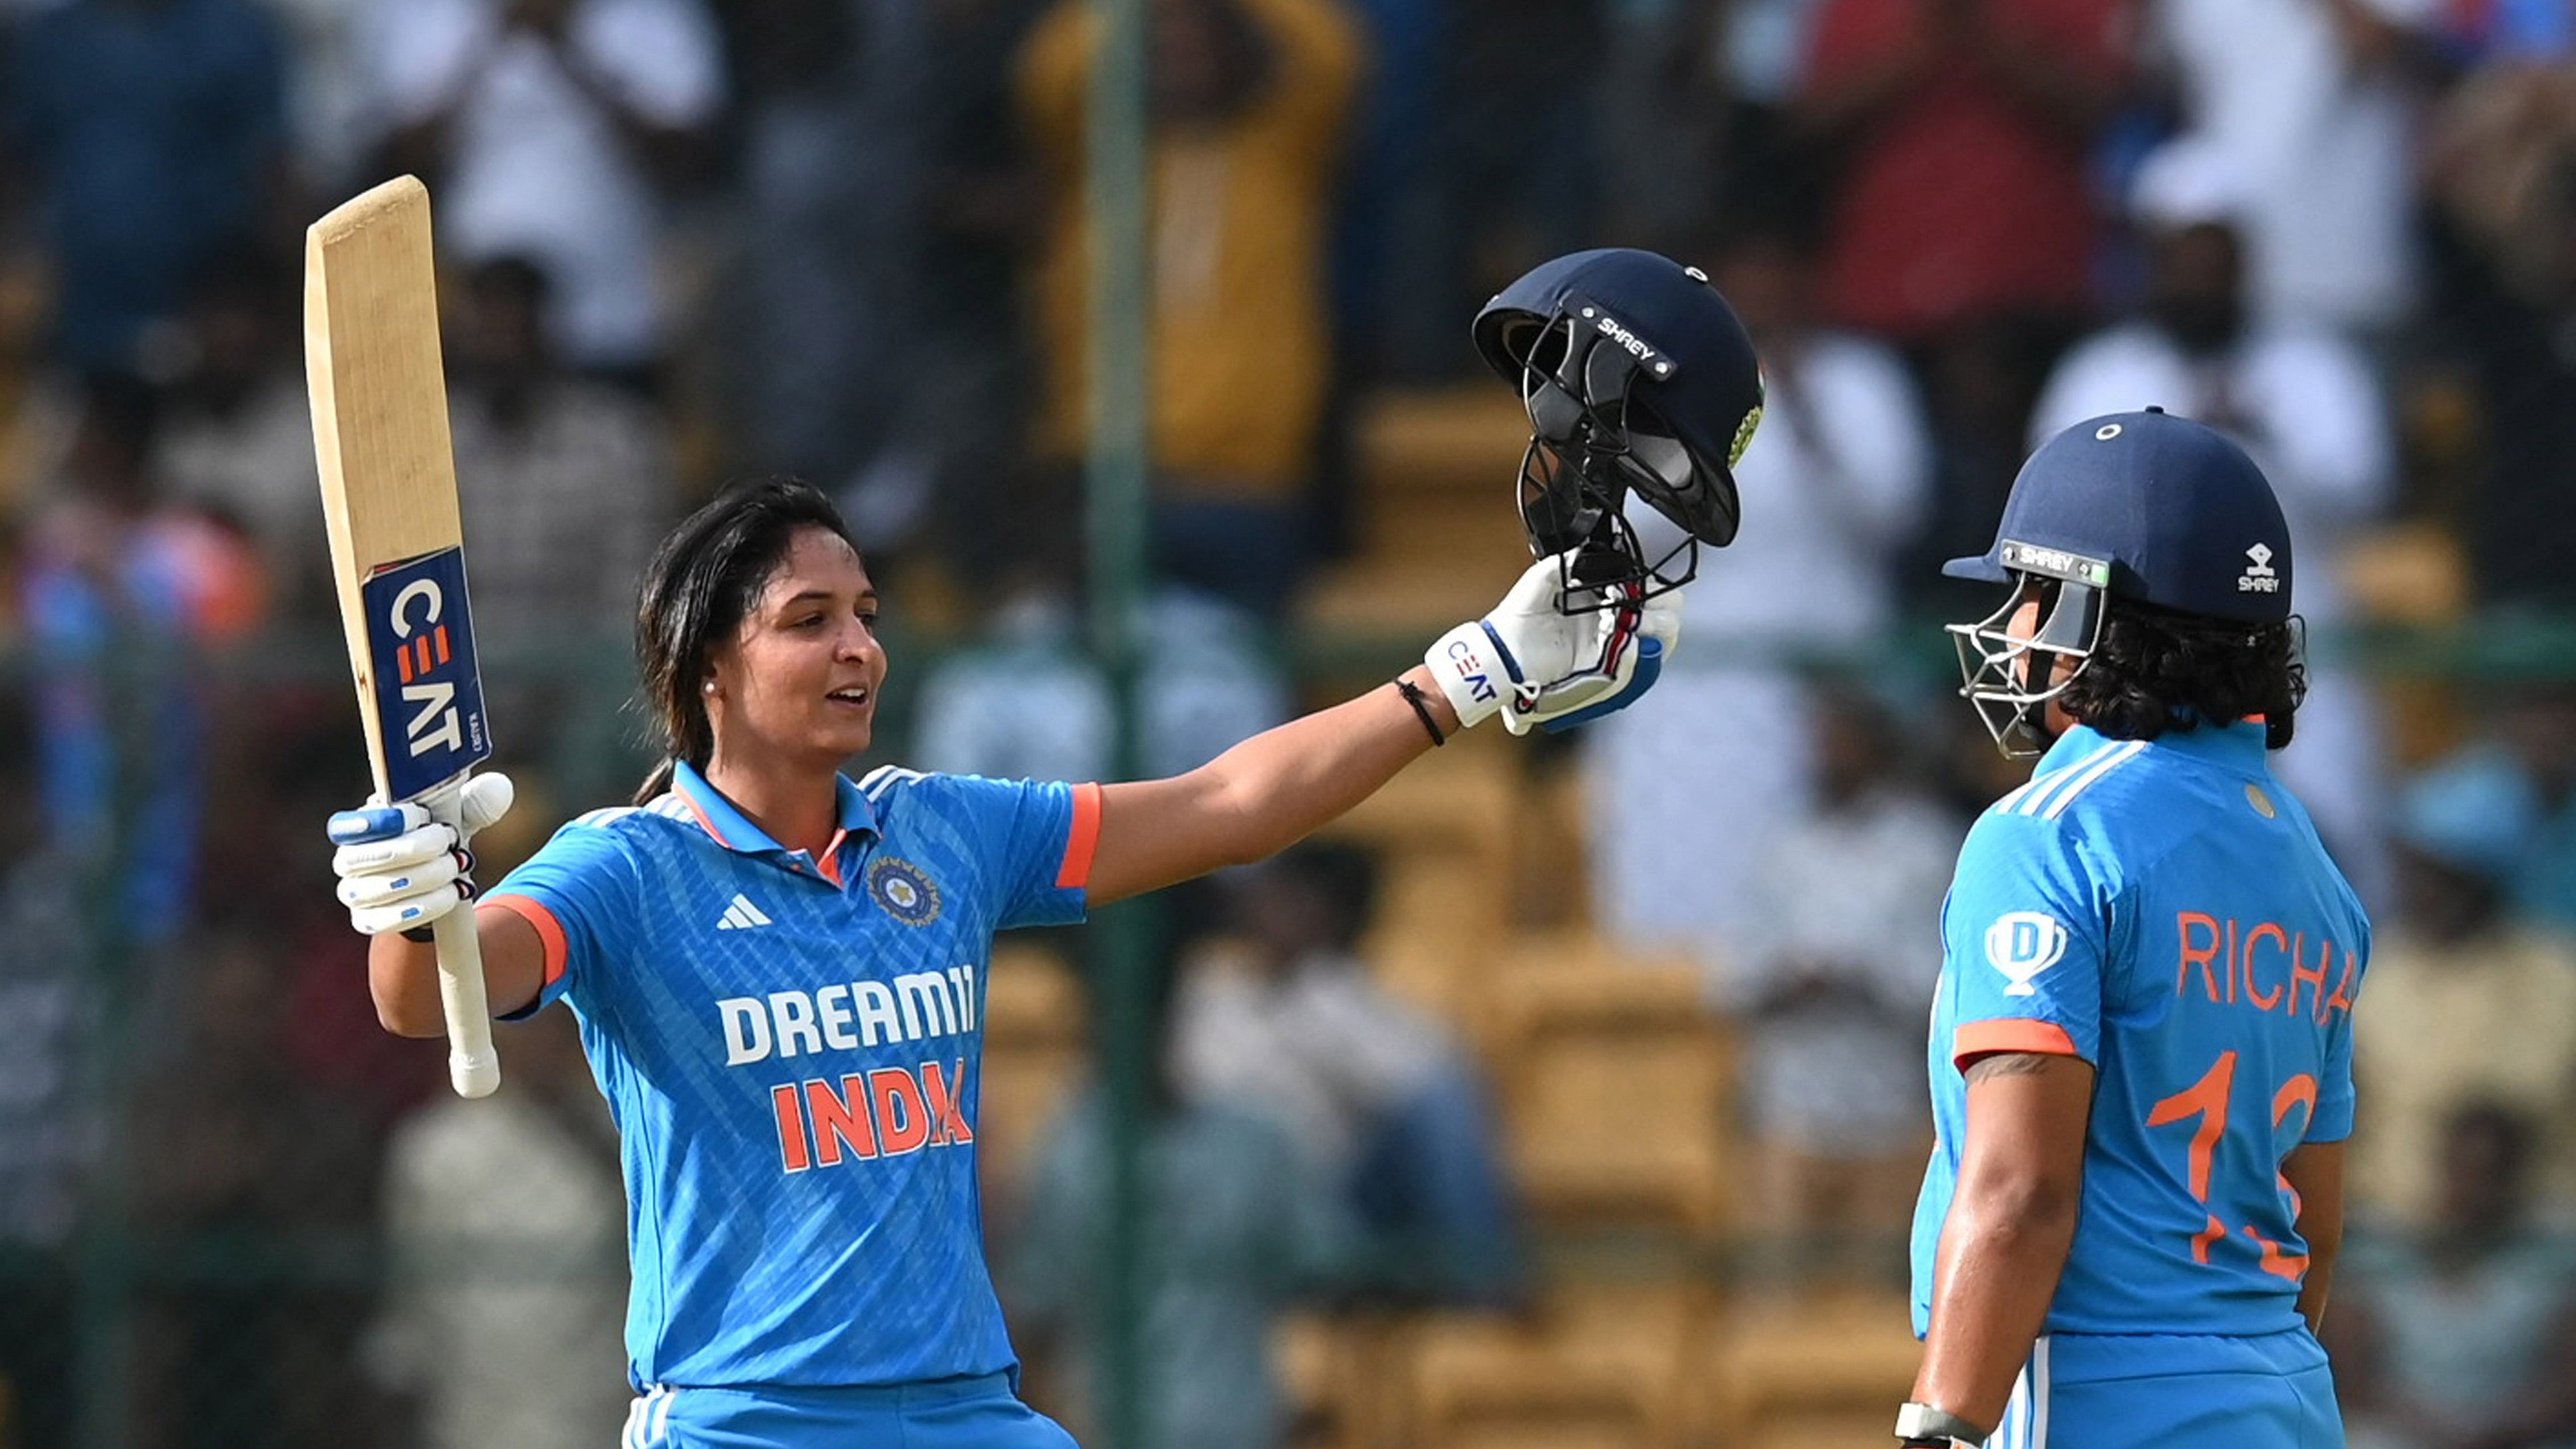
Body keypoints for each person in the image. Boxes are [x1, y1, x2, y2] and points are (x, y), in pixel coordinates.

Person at [317, 242, 1751, 1449]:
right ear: (706, 667)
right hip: (748, 1420)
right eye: (807, 621)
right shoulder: (625, 868)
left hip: (964, 1413)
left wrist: (1464, 674)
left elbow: (1228, 805)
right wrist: (414, 900)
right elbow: (429, 994)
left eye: (866, 612)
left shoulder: (936, 828)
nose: (858, 646)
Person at [1898, 409, 2366, 1449]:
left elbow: (2019, 1191)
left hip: (2094, 1391)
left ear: (2087, 613)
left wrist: (1942, 1429)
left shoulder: (2046, 834)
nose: (2011, 623)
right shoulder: (2315, 870)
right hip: (2284, 1396)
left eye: (2029, 592)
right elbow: (2314, 1227)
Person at [1171, 841, 1522, 1305]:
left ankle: (1485, 1278)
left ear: (1328, 914)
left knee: (1441, 1100)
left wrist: (1320, 1005)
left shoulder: (1344, 996)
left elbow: (1435, 1092)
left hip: (1330, 1205)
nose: (1266, 908)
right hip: (1230, 1204)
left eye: (1289, 897)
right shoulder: (1209, 993)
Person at [2329, 1104, 2576, 1449]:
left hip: (2518, 1435)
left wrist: (2496, 1432)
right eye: (2465, 1170)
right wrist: (2435, 1430)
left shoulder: (2553, 1264)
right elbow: (2354, 1375)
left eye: (2490, 1173)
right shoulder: (2378, 1255)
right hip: (2400, 1431)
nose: (2474, 1189)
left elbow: (2566, 1382)